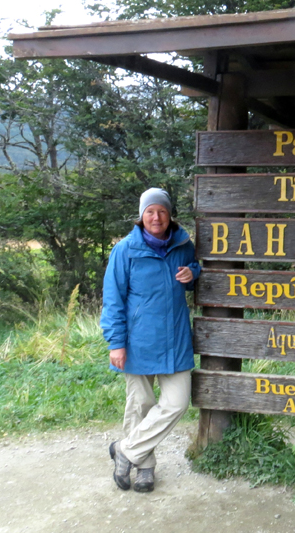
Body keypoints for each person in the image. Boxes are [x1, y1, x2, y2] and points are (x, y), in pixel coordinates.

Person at [100, 188, 201, 492]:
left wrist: (192, 274)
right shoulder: (125, 250)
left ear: (170, 215)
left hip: (176, 340)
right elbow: (113, 300)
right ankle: (145, 468)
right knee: (140, 404)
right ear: (141, 216)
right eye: (150, 212)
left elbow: (197, 267)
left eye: (161, 211)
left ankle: (125, 450)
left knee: (177, 403)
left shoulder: (184, 245)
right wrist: (115, 342)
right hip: (138, 342)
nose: (155, 217)